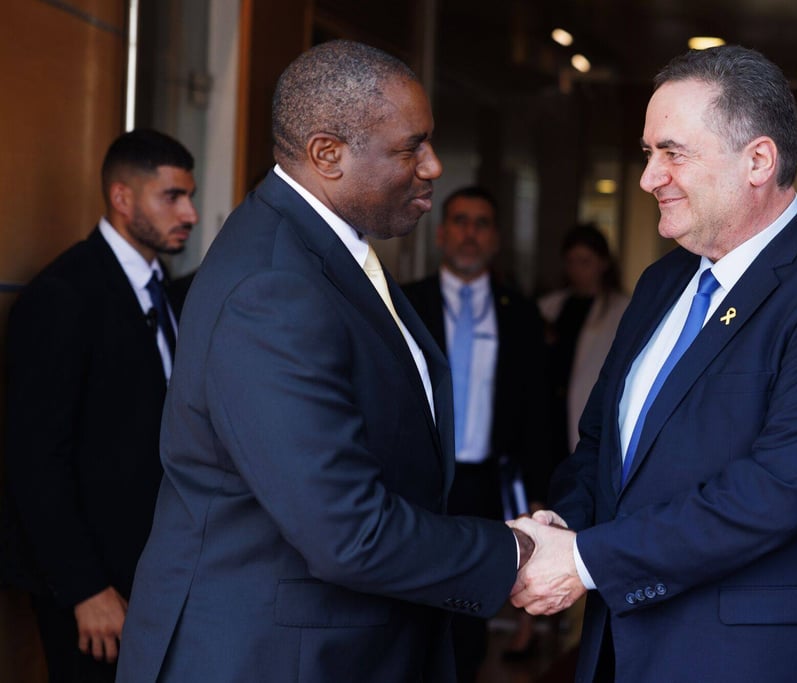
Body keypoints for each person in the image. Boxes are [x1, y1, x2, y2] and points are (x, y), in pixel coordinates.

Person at [115, 40, 534, 683]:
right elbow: (348, 532)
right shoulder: (274, 287)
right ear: (326, 155)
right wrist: (513, 552)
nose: (432, 165)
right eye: (409, 147)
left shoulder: (324, 249)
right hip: (269, 658)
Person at [509, 45, 797, 682]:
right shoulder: (660, 284)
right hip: (625, 648)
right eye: (648, 154)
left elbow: (778, 490)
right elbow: (601, 448)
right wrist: (564, 525)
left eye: (673, 152)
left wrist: (586, 559)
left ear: (758, 160)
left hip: (760, 662)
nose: (649, 177)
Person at [3, 128, 197, 683]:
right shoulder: (63, 295)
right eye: (173, 197)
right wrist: (84, 587)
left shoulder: (169, 292)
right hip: (93, 583)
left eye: (190, 195)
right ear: (122, 197)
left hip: (156, 567)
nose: (191, 213)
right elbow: (36, 459)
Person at [403, 186, 549, 680]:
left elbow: (537, 412)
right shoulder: (405, 304)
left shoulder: (520, 313)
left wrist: (537, 493)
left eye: (481, 223)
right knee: (410, 606)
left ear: (496, 240)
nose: (470, 233)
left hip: (487, 483)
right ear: (442, 233)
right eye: (460, 221)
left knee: (470, 611)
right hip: (418, 481)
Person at [538, 223, 630, 461]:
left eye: (585, 262)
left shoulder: (622, 310)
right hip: (550, 413)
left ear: (603, 263)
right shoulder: (548, 307)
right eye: (571, 262)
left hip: (589, 411)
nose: (577, 270)